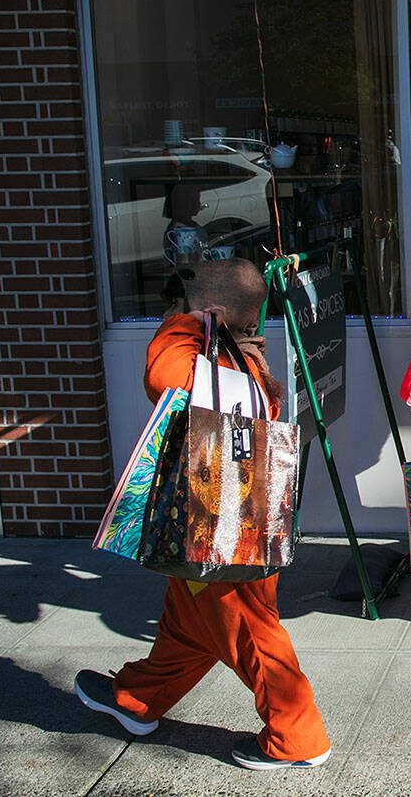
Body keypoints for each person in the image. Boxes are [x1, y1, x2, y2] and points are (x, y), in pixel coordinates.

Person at [74, 259, 331, 770]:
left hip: (220, 527)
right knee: (190, 623)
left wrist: (187, 323)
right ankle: (137, 700)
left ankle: (297, 735)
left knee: (249, 628)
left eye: (177, 309)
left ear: (207, 313)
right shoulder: (243, 360)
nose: (169, 316)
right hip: (224, 522)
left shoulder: (210, 360)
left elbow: (162, 376)